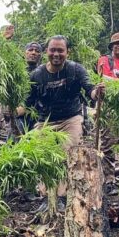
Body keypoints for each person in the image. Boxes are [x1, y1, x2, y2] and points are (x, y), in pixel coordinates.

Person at [18, 35, 105, 211]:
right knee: (44, 156)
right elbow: (27, 103)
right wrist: (13, 110)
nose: (56, 54)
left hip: (71, 118)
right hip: (46, 121)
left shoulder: (75, 70)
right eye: (52, 50)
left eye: (60, 50)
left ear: (67, 52)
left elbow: (90, 90)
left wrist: (98, 93)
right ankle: (46, 197)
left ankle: (63, 197)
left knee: (67, 152)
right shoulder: (37, 75)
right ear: (46, 52)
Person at [18, 42, 43, 133]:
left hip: (38, 114)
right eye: (30, 50)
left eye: (37, 51)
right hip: (19, 114)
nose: (33, 53)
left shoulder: (43, 72)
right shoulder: (17, 72)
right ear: (24, 53)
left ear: (40, 55)